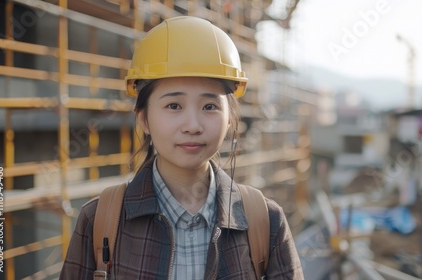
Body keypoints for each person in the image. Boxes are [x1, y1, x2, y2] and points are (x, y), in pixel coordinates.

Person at [60, 16, 304, 279]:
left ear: (230, 117)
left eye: (209, 106)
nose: (193, 125)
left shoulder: (265, 221)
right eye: (174, 106)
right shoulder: (100, 221)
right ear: (144, 118)